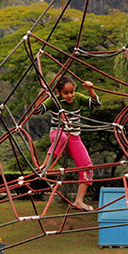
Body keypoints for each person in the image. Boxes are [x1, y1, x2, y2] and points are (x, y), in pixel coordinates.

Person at [35, 76, 101, 211]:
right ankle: (44, 166)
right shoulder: (54, 100)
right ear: (59, 92)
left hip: (74, 137)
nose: (70, 95)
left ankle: (79, 201)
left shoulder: (77, 98)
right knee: (62, 137)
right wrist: (40, 96)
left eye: (72, 92)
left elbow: (96, 104)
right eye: (66, 93)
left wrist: (90, 90)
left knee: (87, 168)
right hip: (58, 133)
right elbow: (37, 111)